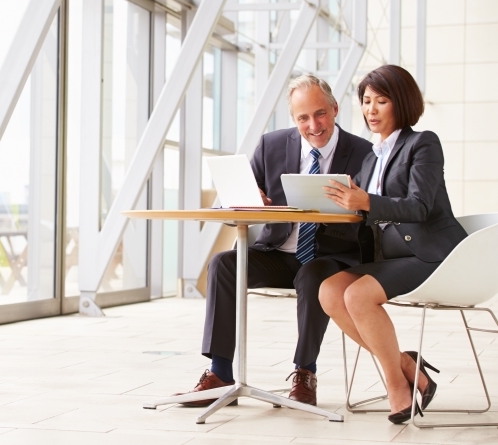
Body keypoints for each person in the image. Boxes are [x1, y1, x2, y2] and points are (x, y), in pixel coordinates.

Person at [175, 74, 372, 407]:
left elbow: (373, 213)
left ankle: (305, 372)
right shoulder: (272, 145)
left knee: (313, 275)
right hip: (278, 252)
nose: (314, 125)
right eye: (303, 118)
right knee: (224, 264)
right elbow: (236, 198)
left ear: (335, 108)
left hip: (331, 257)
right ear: (294, 119)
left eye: (320, 114)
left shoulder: (363, 153)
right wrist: (252, 200)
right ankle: (220, 373)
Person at [319, 64, 467, 424]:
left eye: (381, 101)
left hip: (431, 254)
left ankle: (395, 384)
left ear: (401, 103)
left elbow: (419, 207)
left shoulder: (423, 143)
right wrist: (335, 205)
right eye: (366, 101)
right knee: (329, 292)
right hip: (393, 256)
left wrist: (366, 201)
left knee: (357, 296)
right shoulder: (372, 157)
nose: (371, 109)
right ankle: (406, 364)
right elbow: (365, 212)